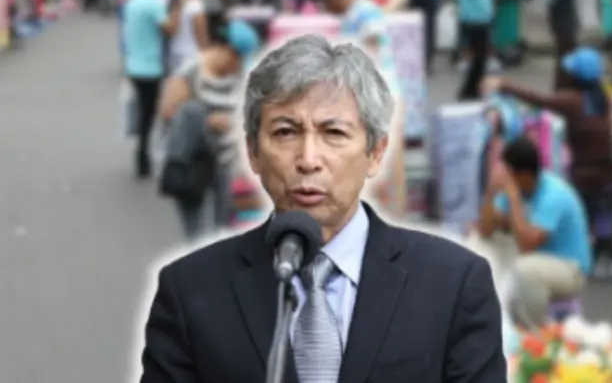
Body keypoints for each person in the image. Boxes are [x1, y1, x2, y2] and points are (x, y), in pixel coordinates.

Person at [139, 36, 505, 382]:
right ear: (253, 151)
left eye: (334, 133)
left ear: (375, 152)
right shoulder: (190, 292)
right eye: (285, 132)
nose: (309, 159)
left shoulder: (454, 284)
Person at [482, 47, 612, 279]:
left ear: (575, 77)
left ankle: (585, 255)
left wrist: (503, 85)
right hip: (609, 174)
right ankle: (605, 250)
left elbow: (540, 99)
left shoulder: (573, 101)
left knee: (578, 210)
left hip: (584, 177)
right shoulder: (603, 99)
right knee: (603, 210)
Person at [158, 19, 260, 240]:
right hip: (194, 167)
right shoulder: (189, 72)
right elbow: (169, 117)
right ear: (226, 50)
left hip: (227, 168)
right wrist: (205, 121)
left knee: (224, 232)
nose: (239, 65)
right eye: (238, 59)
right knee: (196, 234)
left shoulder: (242, 77)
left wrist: (234, 123)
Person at [477, 136, 591, 329]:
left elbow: (527, 246)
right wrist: (490, 193)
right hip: (539, 259)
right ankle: (502, 320)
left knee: (526, 269)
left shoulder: (553, 194)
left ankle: (534, 332)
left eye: (507, 172)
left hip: (570, 268)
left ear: (522, 174)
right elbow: (485, 230)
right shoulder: (516, 187)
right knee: (486, 245)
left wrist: (513, 198)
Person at [122, 0, 178, 177]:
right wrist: (176, 9)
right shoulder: (153, 4)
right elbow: (169, 30)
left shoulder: (133, 1)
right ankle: (143, 157)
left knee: (144, 113)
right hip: (150, 67)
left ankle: (142, 155)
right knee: (149, 114)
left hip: (134, 65)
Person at [456, 0, 494, 101]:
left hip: (483, 18)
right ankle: (468, 90)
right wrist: (465, 17)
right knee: (478, 57)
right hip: (474, 19)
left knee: (482, 57)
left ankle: (475, 88)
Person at [167, 0, 209, 71]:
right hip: (192, 56)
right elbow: (200, 35)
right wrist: (207, 53)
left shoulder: (176, 0)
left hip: (175, 52)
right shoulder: (196, 3)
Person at [548, 0, 580, 90]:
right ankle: (562, 88)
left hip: (566, 23)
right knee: (565, 56)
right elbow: (551, 1)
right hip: (562, 24)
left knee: (567, 55)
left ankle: (565, 86)